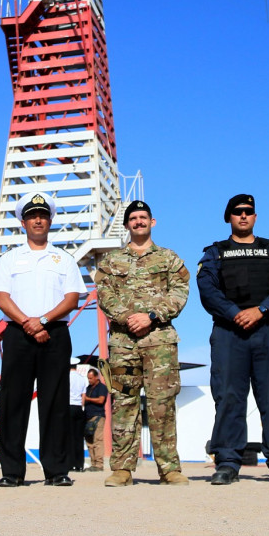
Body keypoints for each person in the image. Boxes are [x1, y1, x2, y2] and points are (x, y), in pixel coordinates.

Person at [197, 193, 269, 486]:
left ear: (255, 217)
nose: (243, 215)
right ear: (228, 218)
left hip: (266, 331)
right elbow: (207, 290)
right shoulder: (215, 253)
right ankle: (228, 462)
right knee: (229, 397)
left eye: (248, 211)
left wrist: (260, 310)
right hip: (229, 333)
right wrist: (234, 313)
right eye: (237, 211)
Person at [0, 192, 85, 488]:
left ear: (50, 220)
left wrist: (41, 321)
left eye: (43, 215)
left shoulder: (64, 259)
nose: (38, 220)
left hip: (54, 333)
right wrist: (28, 323)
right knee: (13, 402)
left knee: (55, 403)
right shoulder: (9, 259)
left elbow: (71, 298)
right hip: (18, 333)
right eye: (32, 216)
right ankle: (12, 471)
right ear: (23, 222)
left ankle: (57, 470)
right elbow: (1, 298)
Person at [95, 200, 190, 486]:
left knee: (162, 404)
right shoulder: (111, 262)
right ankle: (122, 469)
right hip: (123, 343)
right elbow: (104, 294)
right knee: (124, 403)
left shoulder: (169, 258)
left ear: (153, 222)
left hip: (159, 341)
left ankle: (169, 469)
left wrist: (150, 316)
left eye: (143, 217)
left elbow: (180, 292)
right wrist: (127, 317)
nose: (138, 222)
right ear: (127, 225)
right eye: (133, 218)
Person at [81, 368, 108, 472]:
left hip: (98, 416)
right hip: (88, 417)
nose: (89, 380)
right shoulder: (88, 388)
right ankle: (93, 463)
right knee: (89, 441)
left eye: (91, 378)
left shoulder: (102, 388)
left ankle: (99, 464)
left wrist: (87, 399)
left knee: (98, 440)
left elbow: (101, 400)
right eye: (88, 378)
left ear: (96, 377)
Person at [68, 359, 87, 471]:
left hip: (69, 406)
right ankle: (79, 464)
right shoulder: (82, 378)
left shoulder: (66, 377)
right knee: (79, 437)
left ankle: (70, 463)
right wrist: (81, 407)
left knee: (69, 436)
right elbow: (83, 395)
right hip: (79, 407)